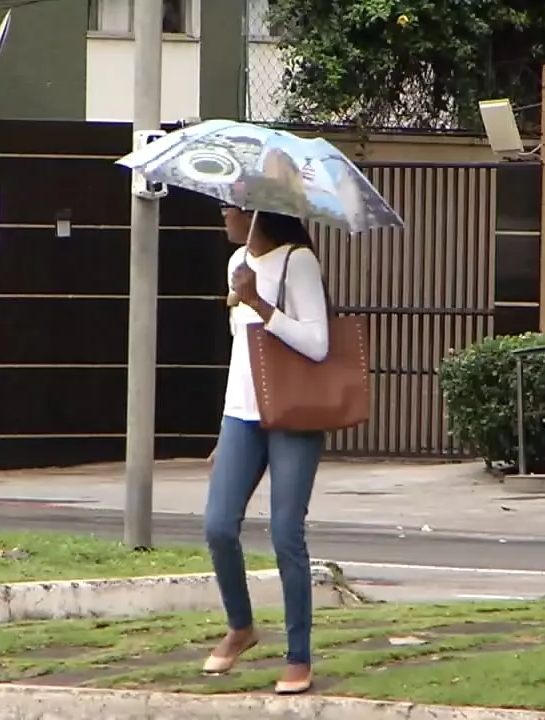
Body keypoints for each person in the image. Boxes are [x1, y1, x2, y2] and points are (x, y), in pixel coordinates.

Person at [202, 206, 329, 695]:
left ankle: (299, 656)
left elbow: (317, 344)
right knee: (217, 524)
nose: (224, 212)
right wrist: (222, 433)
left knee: (284, 533)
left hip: (292, 414)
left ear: (260, 211)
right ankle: (241, 626)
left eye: (233, 205)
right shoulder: (236, 261)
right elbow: (241, 354)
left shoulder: (298, 262)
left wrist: (258, 303)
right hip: (241, 415)